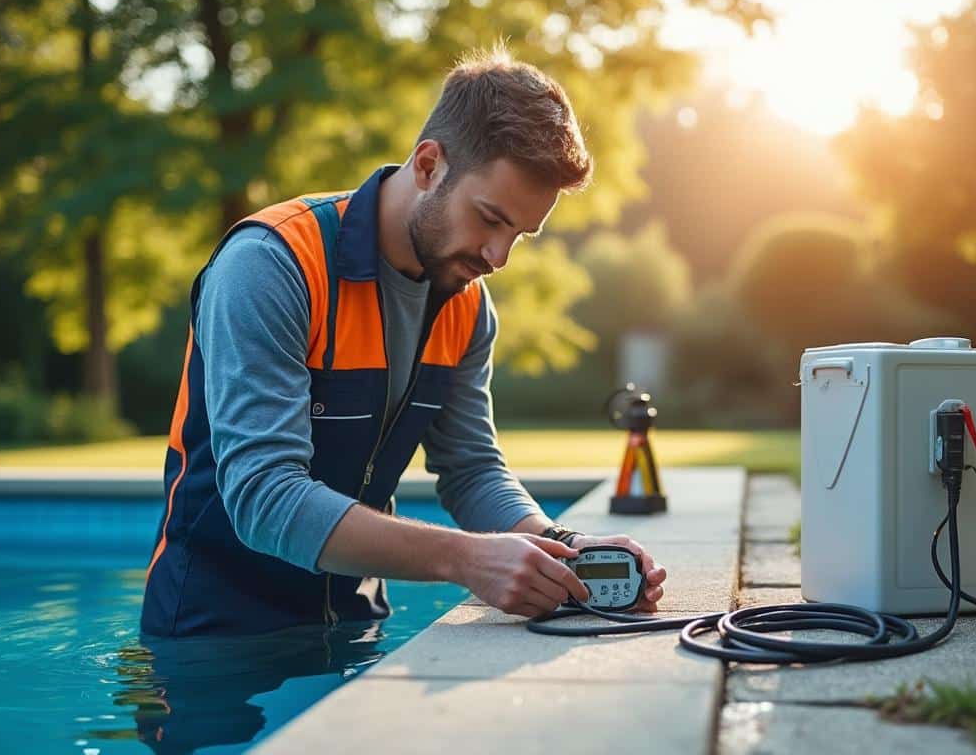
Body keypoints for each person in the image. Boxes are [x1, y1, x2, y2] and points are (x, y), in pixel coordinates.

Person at [141, 46, 667, 637]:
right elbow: (265, 498)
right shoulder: (271, 264)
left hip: (355, 631)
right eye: (490, 219)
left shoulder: (467, 303)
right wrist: (465, 558)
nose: (498, 257)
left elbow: (470, 470)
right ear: (427, 164)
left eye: (519, 234)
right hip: (212, 645)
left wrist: (563, 550)